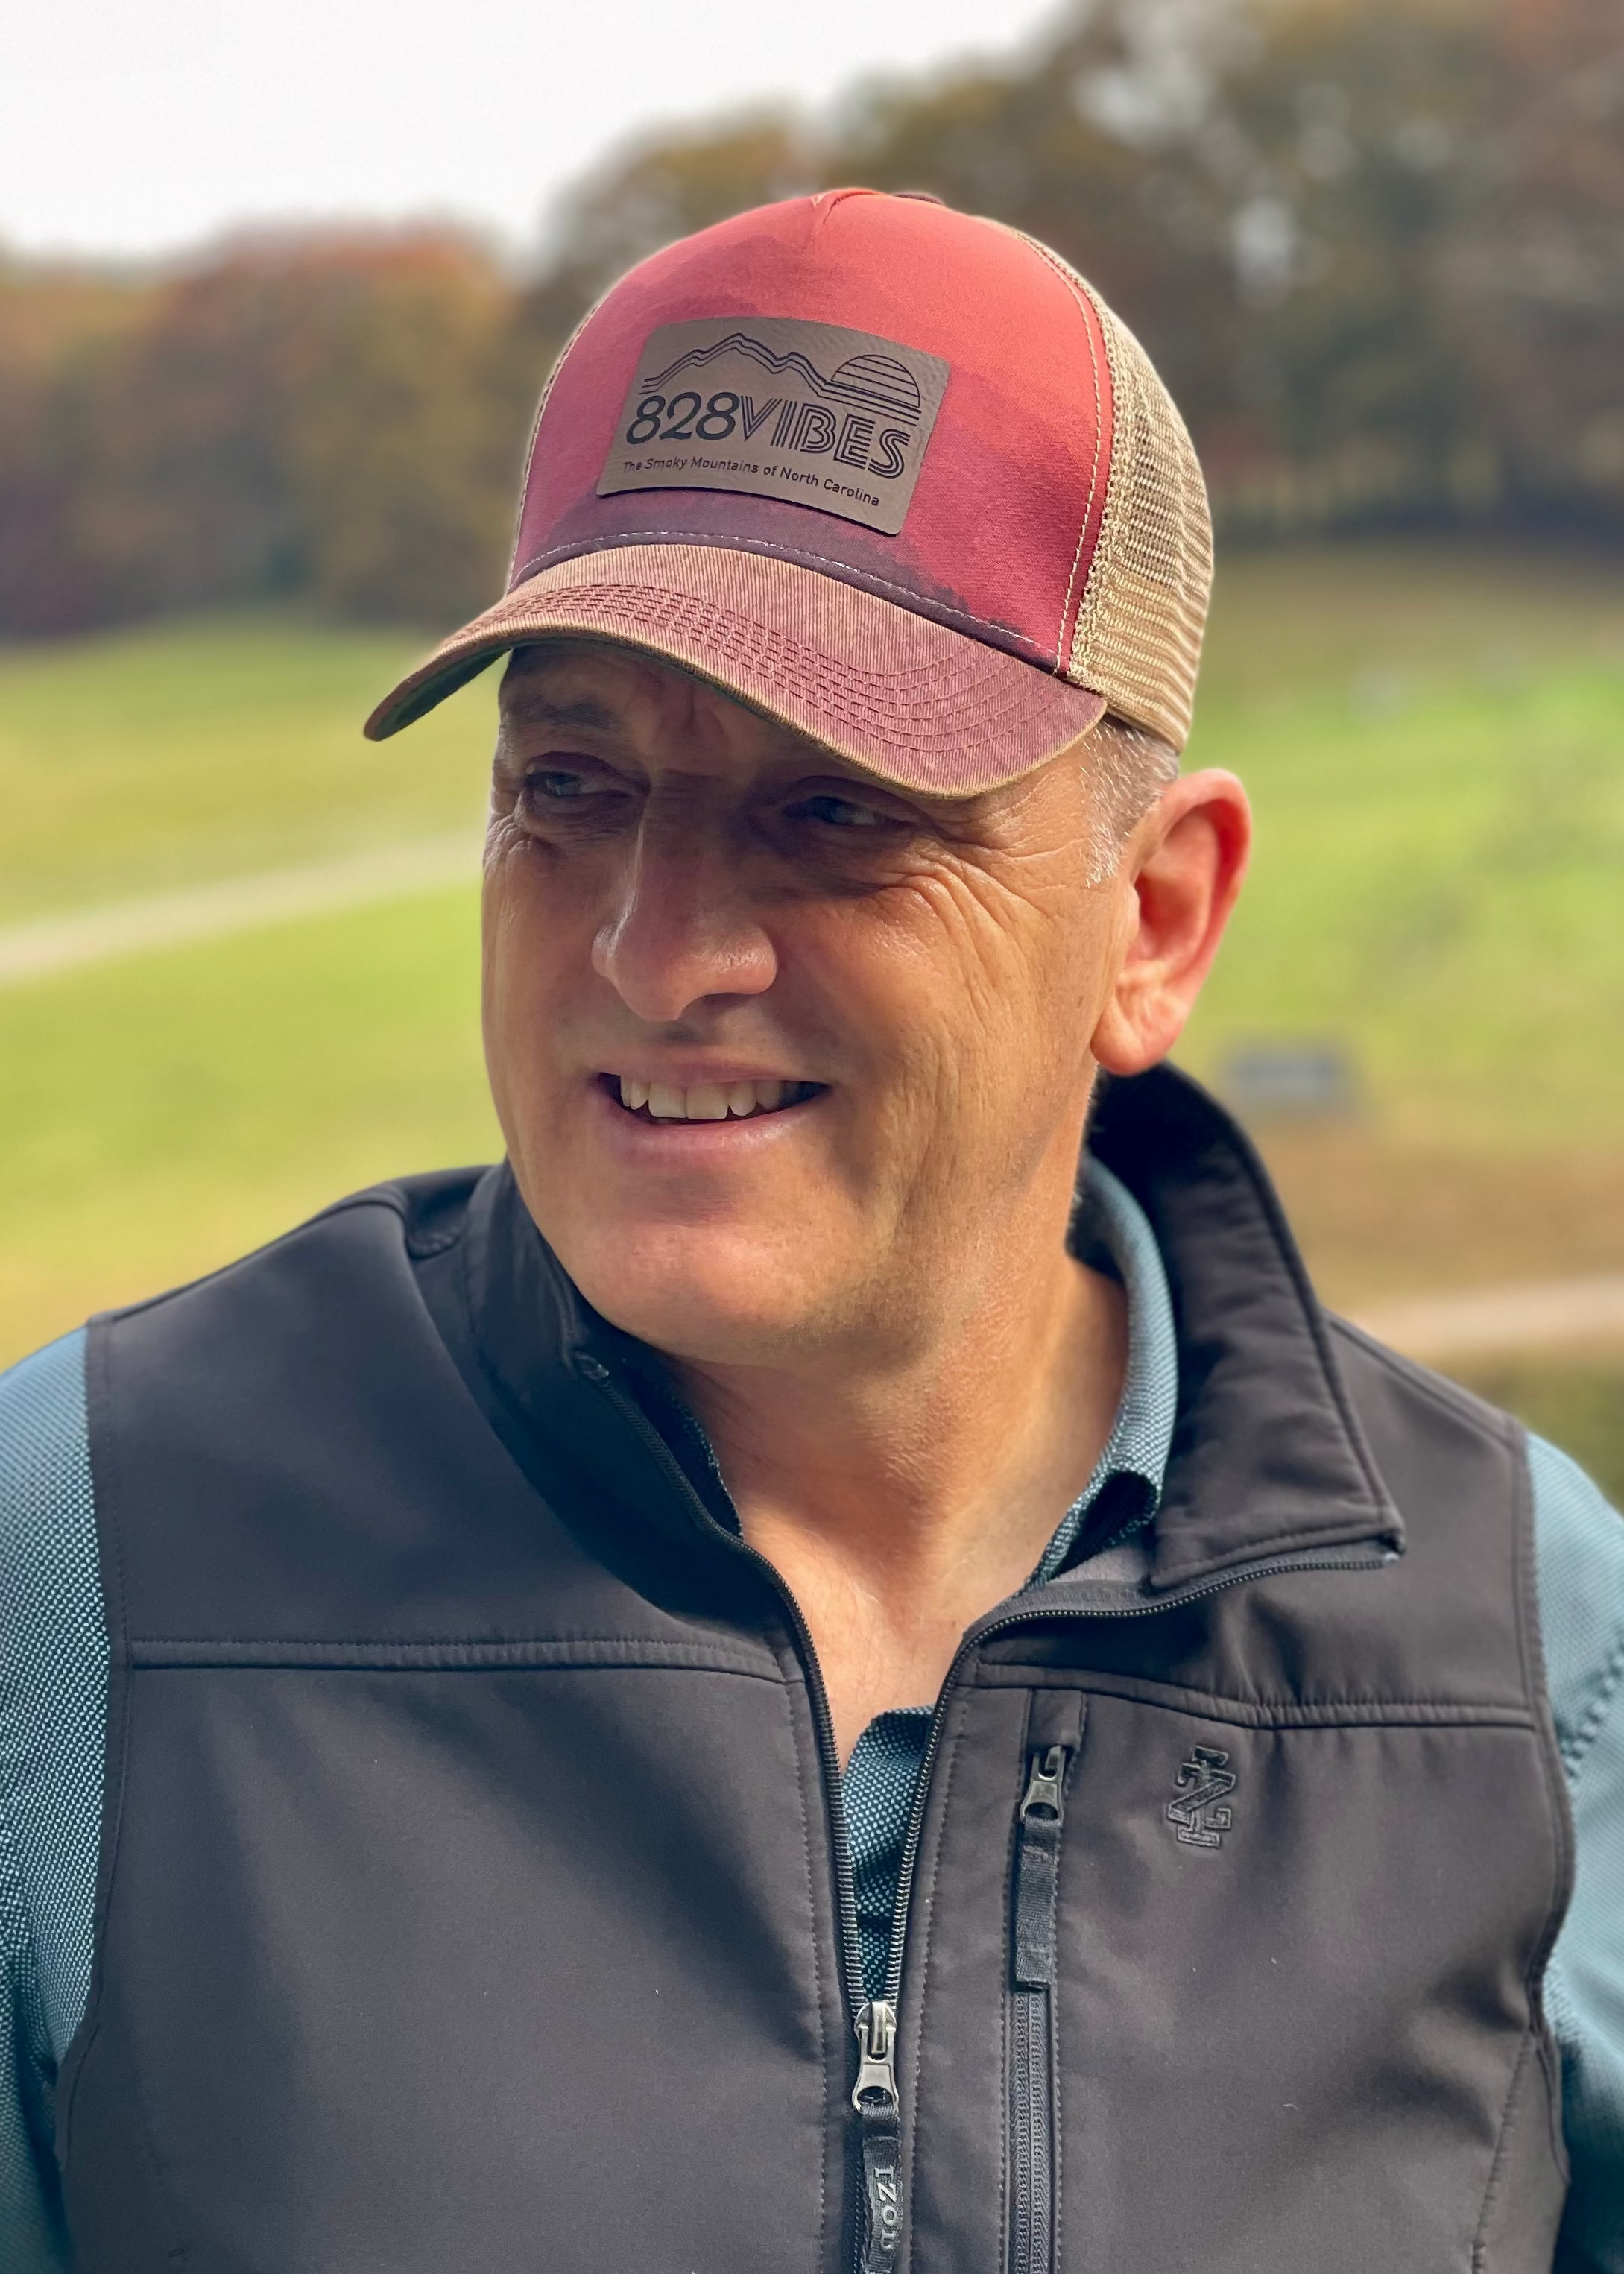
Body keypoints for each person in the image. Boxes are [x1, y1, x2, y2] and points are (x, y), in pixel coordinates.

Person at [1, 188, 1620, 2274]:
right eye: (569, 783)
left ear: (1153, 920)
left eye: (838, 810)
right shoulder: (85, 1562)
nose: (657, 951)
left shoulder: (1529, 1654)